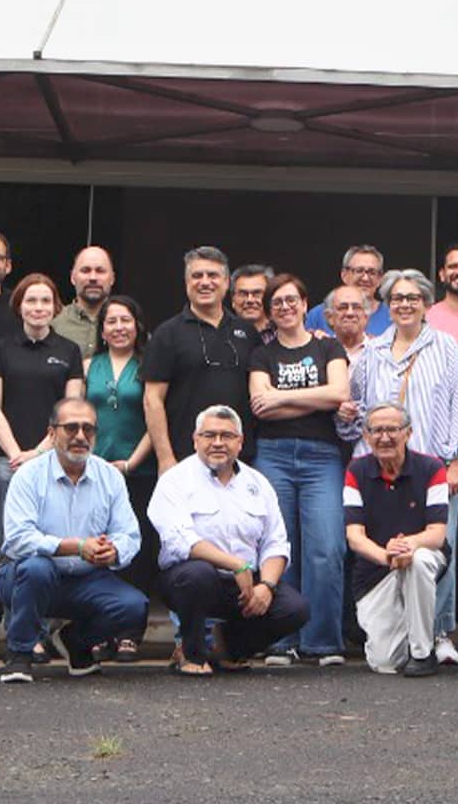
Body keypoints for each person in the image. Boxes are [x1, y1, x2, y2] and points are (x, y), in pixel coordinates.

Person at [345, 269, 458, 665]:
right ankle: (398, 630)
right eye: (397, 298)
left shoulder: (445, 345)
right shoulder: (372, 352)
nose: (405, 305)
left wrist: (456, 460)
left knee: (435, 550)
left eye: (413, 298)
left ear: (426, 304)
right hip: (381, 469)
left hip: (433, 467)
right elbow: (356, 409)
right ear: (387, 306)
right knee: (387, 548)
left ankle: (439, 632)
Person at [0, 397, 148, 683]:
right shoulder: (28, 475)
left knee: (133, 606)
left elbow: (129, 534)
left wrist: (113, 551)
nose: (80, 436)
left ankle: (76, 642)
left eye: (88, 429)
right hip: (27, 576)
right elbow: (18, 539)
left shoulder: (110, 477)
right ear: (52, 433)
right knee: (36, 569)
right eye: (71, 428)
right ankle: (20, 655)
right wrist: (75, 547)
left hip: (86, 579)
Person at [149, 405, 310, 677]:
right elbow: (181, 540)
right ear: (195, 440)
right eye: (209, 435)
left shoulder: (258, 483)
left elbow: (275, 542)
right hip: (191, 580)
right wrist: (237, 565)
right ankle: (191, 651)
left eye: (227, 436)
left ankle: (229, 648)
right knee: (197, 576)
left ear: (240, 442)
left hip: (244, 585)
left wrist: (267, 586)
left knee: (295, 609)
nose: (218, 443)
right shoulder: (175, 480)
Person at [248, 272, 350, 667]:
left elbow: (339, 393)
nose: (286, 307)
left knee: (326, 546)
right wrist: (315, 399)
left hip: (321, 456)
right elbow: (260, 406)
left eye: (292, 300)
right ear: (270, 312)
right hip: (272, 454)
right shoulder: (262, 355)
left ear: (306, 305)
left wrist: (280, 398)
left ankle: (323, 642)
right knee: (280, 546)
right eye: (277, 303)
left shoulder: (329, 347)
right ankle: (281, 639)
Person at [0, 273, 87, 639]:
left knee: (52, 541)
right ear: (20, 306)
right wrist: (16, 453)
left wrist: (40, 451)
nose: (38, 307)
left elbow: (71, 411)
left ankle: (44, 628)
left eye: (45, 301)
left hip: (53, 459)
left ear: (55, 307)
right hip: (7, 461)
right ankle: (19, 629)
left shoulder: (69, 351)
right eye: (31, 300)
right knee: (13, 544)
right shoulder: (1, 348)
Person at [345, 401, 450, 676]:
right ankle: (411, 631)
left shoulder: (433, 468)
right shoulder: (355, 471)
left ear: (408, 433)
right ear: (366, 436)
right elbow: (354, 537)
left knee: (418, 560)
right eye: (376, 430)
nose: (384, 437)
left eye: (392, 429)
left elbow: (437, 534)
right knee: (385, 662)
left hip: (422, 554)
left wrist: (408, 546)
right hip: (376, 569)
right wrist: (387, 556)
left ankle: (422, 653)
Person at [143, 247, 261, 473]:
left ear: (226, 283)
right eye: (197, 275)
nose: (205, 282)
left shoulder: (247, 333)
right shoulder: (167, 334)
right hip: (184, 460)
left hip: (240, 460)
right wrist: (165, 458)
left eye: (213, 275)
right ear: (187, 282)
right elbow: (152, 400)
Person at [85, 295, 154, 660]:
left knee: (135, 550)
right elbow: (76, 418)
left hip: (138, 470)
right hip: (93, 473)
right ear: (102, 329)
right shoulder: (87, 366)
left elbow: (156, 419)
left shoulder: (149, 366)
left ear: (137, 326)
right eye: (111, 321)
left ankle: (130, 632)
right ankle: (98, 629)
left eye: (125, 320)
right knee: (97, 548)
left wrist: (130, 463)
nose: (118, 328)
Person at [304, 245, 390, 336]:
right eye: (359, 271)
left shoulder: (391, 315)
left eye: (372, 272)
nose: (365, 278)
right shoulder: (318, 315)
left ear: (380, 278)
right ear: (344, 275)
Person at [51, 246, 116, 358]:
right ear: (72, 277)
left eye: (100, 271)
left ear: (112, 278)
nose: (93, 277)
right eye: (85, 271)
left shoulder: (126, 326)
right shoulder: (53, 323)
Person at [323, 285, 373, 361]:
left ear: (366, 317)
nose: (350, 313)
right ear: (330, 317)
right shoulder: (321, 352)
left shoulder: (380, 351)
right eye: (343, 307)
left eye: (356, 307)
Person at [231, 264, 278, 343]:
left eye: (257, 293)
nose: (250, 300)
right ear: (233, 300)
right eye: (243, 294)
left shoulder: (286, 333)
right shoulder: (222, 336)